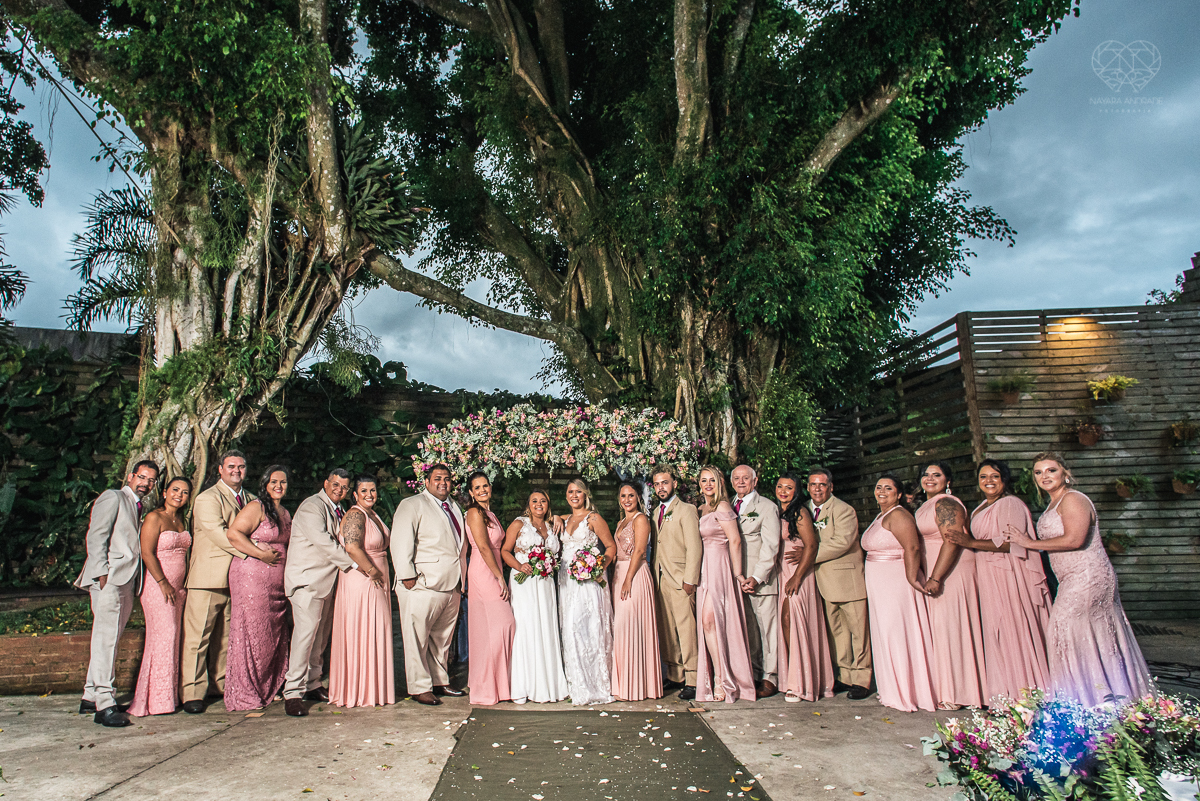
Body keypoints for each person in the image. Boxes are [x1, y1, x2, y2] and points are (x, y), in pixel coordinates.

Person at [1006, 452, 1153, 707]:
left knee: (1064, 630)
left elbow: (1075, 539)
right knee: (1085, 635)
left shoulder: (1073, 499)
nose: (1044, 476)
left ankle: (1089, 701)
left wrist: (1029, 543)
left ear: (1065, 473)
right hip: (1071, 577)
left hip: (1087, 576)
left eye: (1051, 470)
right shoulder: (1054, 503)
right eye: (1038, 472)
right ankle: (1094, 701)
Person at [944, 460, 1050, 702]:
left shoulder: (1010, 504)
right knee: (995, 630)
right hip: (987, 572)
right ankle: (1005, 693)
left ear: (1004, 479)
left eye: (994, 476)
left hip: (1007, 572)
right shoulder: (981, 507)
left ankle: (1025, 691)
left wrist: (970, 543)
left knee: (1012, 626)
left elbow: (1011, 542)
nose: (988, 481)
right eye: (983, 477)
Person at [283, 469, 377, 716]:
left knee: (320, 638)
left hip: (327, 581)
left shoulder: (338, 509)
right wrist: (356, 564)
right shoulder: (311, 506)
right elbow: (325, 542)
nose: (340, 490)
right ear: (326, 483)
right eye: (335, 485)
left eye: (344, 487)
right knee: (304, 637)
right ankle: (292, 692)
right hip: (307, 582)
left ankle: (313, 683)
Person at [76, 459, 159, 727]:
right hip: (110, 579)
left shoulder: (138, 506)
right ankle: (105, 704)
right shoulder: (113, 497)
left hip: (126, 579)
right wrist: (102, 572)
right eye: (142, 477)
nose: (146, 483)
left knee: (109, 637)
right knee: (106, 640)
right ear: (131, 476)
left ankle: (90, 697)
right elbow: (96, 536)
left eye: (151, 480)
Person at [181, 450, 253, 714]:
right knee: (198, 638)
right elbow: (220, 534)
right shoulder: (207, 498)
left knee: (225, 638)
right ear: (220, 469)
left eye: (241, 466)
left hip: (237, 578)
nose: (236, 470)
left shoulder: (251, 499)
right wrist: (254, 553)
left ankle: (220, 685)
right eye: (231, 466)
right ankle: (192, 692)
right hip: (207, 579)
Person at [391, 464, 467, 706]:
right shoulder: (412, 504)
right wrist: (407, 575)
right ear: (426, 481)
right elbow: (400, 540)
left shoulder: (454, 506)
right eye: (437, 478)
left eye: (447, 478)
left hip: (452, 583)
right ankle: (419, 687)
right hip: (422, 583)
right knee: (417, 638)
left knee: (442, 639)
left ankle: (439, 680)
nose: (443, 482)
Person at [915, 461, 987, 710]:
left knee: (953, 628)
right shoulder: (927, 505)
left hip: (952, 570)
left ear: (948, 481)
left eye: (937, 474)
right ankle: (950, 688)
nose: (930, 478)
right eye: (926, 474)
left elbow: (952, 540)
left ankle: (960, 694)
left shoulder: (947, 503)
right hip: (937, 568)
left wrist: (936, 577)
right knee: (943, 630)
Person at [862, 475, 937, 712]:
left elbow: (912, 547)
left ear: (899, 494)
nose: (882, 491)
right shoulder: (881, 516)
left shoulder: (899, 515)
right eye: (878, 487)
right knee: (884, 632)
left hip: (895, 582)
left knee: (896, 631)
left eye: (888, 488)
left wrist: (912, 577)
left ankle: (906, 691)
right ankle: (892, 688)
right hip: (879, 583)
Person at [223, 465, 291, 711]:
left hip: (276, 585)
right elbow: (234, 534)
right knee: (252, 632)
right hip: (251, 578)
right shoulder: (256, 507)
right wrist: (261, 555)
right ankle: (245, 691)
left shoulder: (284, 512)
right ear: (265, 484)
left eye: (283, 482)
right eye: (274, 481)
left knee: (271, 634)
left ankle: (267, 686)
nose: (278, 486)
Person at [329, 474, 395, 708]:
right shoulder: (356, 514)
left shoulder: (372, 514)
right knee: (367, 628)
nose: (369, 495)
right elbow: (351, 547)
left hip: (375, 578)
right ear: (355, 494)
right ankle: (360, 691)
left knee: (376, 628)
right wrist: (372, 570)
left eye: (373, 490)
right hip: (363, 580)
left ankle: (371, 689)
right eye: (364, 491)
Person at [129, 476, 192, 717]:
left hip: (179, 589)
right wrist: (163, 582)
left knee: (172, 640)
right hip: (158, 587)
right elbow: (147, 553)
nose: (179, 495)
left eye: (184, 492)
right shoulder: (154, 518)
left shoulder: (181, 520)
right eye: (175, 490)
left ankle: (167, 697)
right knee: (165, 637)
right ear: (165, 492)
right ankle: (156, 701)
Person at [807, 467, 872, 700]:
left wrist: (807, 556)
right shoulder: (805, 509)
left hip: (847, 580)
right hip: (824, 581)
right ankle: (844, 675)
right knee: (837, 632)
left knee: (858, 632)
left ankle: (862, 678)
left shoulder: (844, 510)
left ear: (830, 487)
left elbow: (842, 542)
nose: (817, 489)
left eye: (822, 484)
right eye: (813, 484)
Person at [695, 466, 756, 703]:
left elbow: (735, 540)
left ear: (719, 483)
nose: (708, 484)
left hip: (720, 566)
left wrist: (738, 574)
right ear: (699, 485)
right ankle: (716, 674)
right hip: (705, 567)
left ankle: (722, 678)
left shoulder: (722, 507)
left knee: (711, 619)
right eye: (704, 480)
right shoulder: (702, 509)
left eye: (712, 480)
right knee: (707, 623)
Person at [502, 489, 569, 703]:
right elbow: (505, 551)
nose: (539, 504)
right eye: (534, 501)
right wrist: (519, 566)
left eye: (543, 501)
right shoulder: (519, 524)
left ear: (548, 504)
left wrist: (558, 517)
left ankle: (548, 685)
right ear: (528, 504)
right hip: (525, 582)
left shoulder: (552, 525)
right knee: (527, 627)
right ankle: (526, 684)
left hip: (546, 584)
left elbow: (578, 515)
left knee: (546, 628)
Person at [775, 473, 834, 702]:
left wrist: (797, 577)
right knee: (786, 622)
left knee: (791, 619)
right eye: (780, 486)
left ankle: (800, 682)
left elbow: (811, 545)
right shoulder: (778, 511)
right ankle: (794, 675)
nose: (783, 491)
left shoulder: (800, 512)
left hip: (798, 572)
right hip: (783, 571)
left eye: (789, 488)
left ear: (797, 491)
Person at [558, 478, 617, 705]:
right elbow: (552, 518)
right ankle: (576, 684)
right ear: (566, 496)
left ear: (585, 495)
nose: (574, 495)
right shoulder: (565, 519)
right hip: (567, 582)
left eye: (578, 492)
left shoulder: (594, 518)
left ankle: (594, 685)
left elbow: (610, 547)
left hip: (588, 582)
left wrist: (599, 567)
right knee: (568, 629)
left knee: (584, 629)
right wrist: (556, 517)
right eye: (570, 492)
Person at [462, 471, 515, 706]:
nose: (483, 490)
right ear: (471, 492)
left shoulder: (489, 513)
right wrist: (499, 576)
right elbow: (483, 547)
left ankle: (500, 686)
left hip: (493, 567)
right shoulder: (474, 512)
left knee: (496, 629)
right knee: (503, 624)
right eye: (477, 487)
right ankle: (486, 687)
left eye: (485, 485)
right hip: (484, 572)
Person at [650, 466, 703, 701]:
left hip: (681, 579)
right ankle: (675, 674)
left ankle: (693, 678)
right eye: (657, 484)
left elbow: (694, 546)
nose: (661, 487)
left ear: (674, 483)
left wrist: (690, 579)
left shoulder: (687, 510)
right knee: (667, 629)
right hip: (661, 578)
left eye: (665, 482)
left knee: (686, 630)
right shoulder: (655, 513)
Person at [729, 464, 782, 699]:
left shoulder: (767, 507)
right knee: (747, 630)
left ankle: (771, 677)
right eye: (736, 478)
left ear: (755, 481)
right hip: (735, 579)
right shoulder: (728, 506)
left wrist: (757, 577)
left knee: (767, 630)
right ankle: (753, 672)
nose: (741, 482)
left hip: (759, 580)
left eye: (745, 478)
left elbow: (771, 546)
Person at [611, 480, 662, 701]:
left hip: (635, 574)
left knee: (630, 626)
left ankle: (635, 687)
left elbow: (640, 550)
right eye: (623, 496)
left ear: (639, 497)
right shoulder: (621, 521)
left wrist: (628, 579)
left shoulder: (641, 519)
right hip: (619, 573)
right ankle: (624, 684)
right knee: (621, 629)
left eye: (631, 495)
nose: (627, 500)